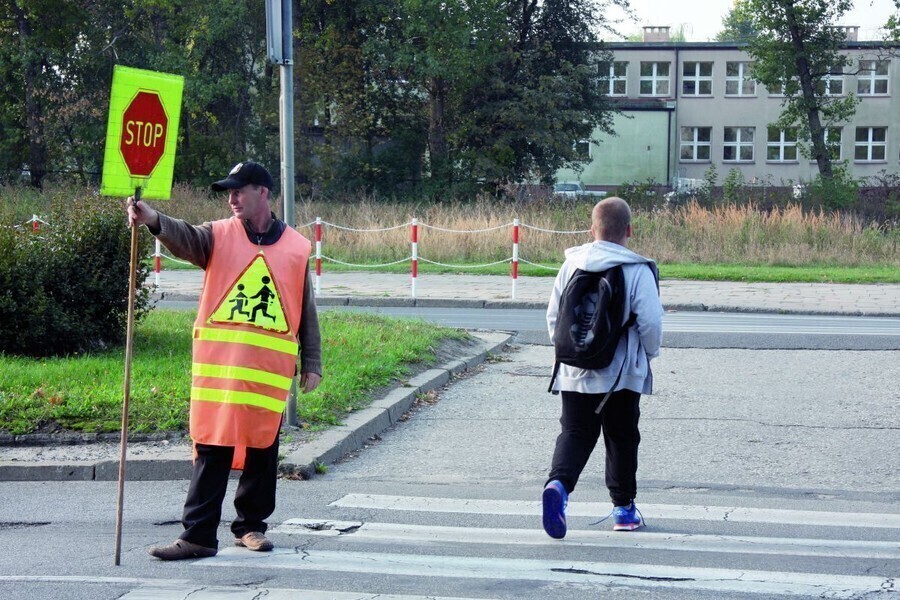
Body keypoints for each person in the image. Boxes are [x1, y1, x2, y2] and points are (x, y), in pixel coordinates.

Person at [127, 161, 322, 560]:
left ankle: (250, 528)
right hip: (220, 370)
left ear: (264, 192)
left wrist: (312, 360)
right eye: (228, 192)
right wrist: (154, 219)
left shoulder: (297, 248)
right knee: (211, 448)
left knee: (262, 451)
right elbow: (184, 237)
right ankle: (198, 536)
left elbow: (305, 308)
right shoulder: (217, 235)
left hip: (268, 374)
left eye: (240, 190)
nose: (232, 198)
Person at [542, 197, 663, 539]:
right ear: (629, 230)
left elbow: (554, 316)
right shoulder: (636, 269)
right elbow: (651, 323)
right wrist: (647, 356)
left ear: (591, 229)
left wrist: (572, 350)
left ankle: (558, 486)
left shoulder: (571, 264)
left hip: (574, 371)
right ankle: (624, 511)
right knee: (622, 437)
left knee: (575, 433)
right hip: (621, 374)